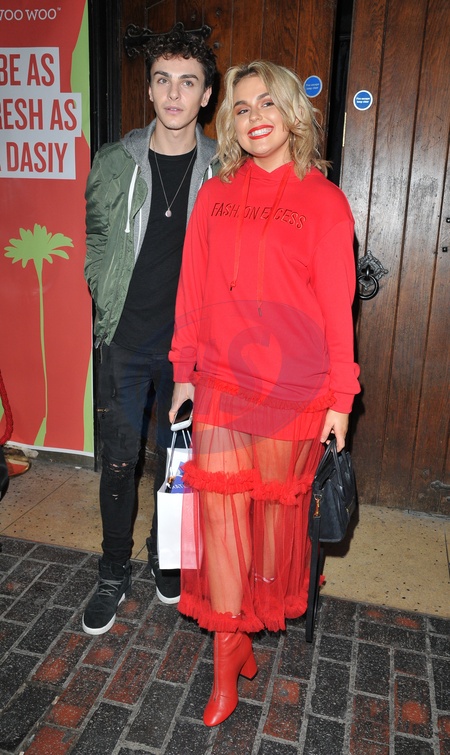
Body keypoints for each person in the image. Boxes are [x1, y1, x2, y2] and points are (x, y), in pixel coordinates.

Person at [168, 60, 360, 726]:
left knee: (271, 532)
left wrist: (342, 398)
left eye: (267, 103)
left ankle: (246, 638)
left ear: (292, 113)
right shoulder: (214, 194)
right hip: (223, 383)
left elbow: (338, 311)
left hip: (295, 393)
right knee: (222, 526)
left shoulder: (325, 202)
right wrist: (183, 369)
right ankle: (226, 661)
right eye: (243, 108)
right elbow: (191, 286)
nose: (255, 118)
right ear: (230, 121)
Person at [82, 29, 217, 636]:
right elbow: (96, 238)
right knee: (118, 462)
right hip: (127, 341)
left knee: (175, 461)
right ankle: (113, 570)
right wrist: (104, 294)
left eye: (188, 82)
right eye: (163, 79)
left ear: (206, 95)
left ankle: (167, 555)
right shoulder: (116, 161)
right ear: (150, 89)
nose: (174, 93)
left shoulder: (222, 171)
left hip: (190, 349)